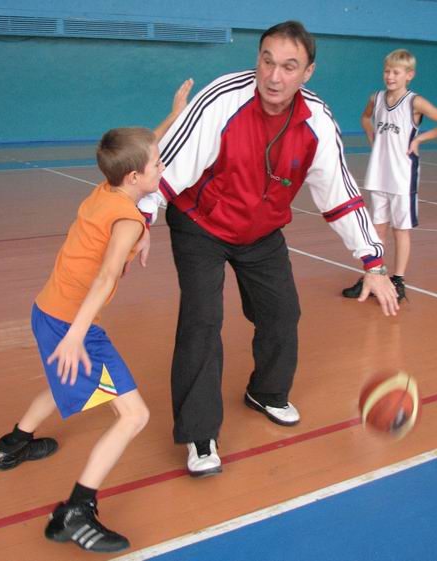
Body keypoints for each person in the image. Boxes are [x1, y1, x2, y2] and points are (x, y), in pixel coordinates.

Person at [137, 21, 399, 478]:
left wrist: (373, 262)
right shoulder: (222, 99)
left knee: (281, 313)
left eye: (289, 67)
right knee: (202, 320)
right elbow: (168, 163)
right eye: (267, 62)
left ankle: (266, 392)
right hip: (200, 223)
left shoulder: (317, 122)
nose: (274, 77)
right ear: (257, 59)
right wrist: (141, 218)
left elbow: (340, 195)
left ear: (308, 72)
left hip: (260, 232)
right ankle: (200, 433)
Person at [0, 80, 192, 554]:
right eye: (157, 165)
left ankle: (12, 444)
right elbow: (104, 278)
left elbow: (145, 148)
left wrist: (174, 113)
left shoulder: (108, 189)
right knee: (134, 416)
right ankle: (75, 512)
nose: (162, 166)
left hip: (48, 310)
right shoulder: (126, 220)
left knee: (66, 378)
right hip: (70, 324)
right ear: (136, 176)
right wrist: (77, 335)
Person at [342, 49, 437, 301]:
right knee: (377, 230)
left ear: (409, 75)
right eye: (387, 71)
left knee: (400, 230)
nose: (390, 76)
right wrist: (372, 136)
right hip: (379, 174)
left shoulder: (414, 102)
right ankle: (375, 274)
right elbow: (365, 118)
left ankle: (398, 280)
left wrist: (419, 140)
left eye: (396, 72)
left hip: (403, 176)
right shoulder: (376, 98)